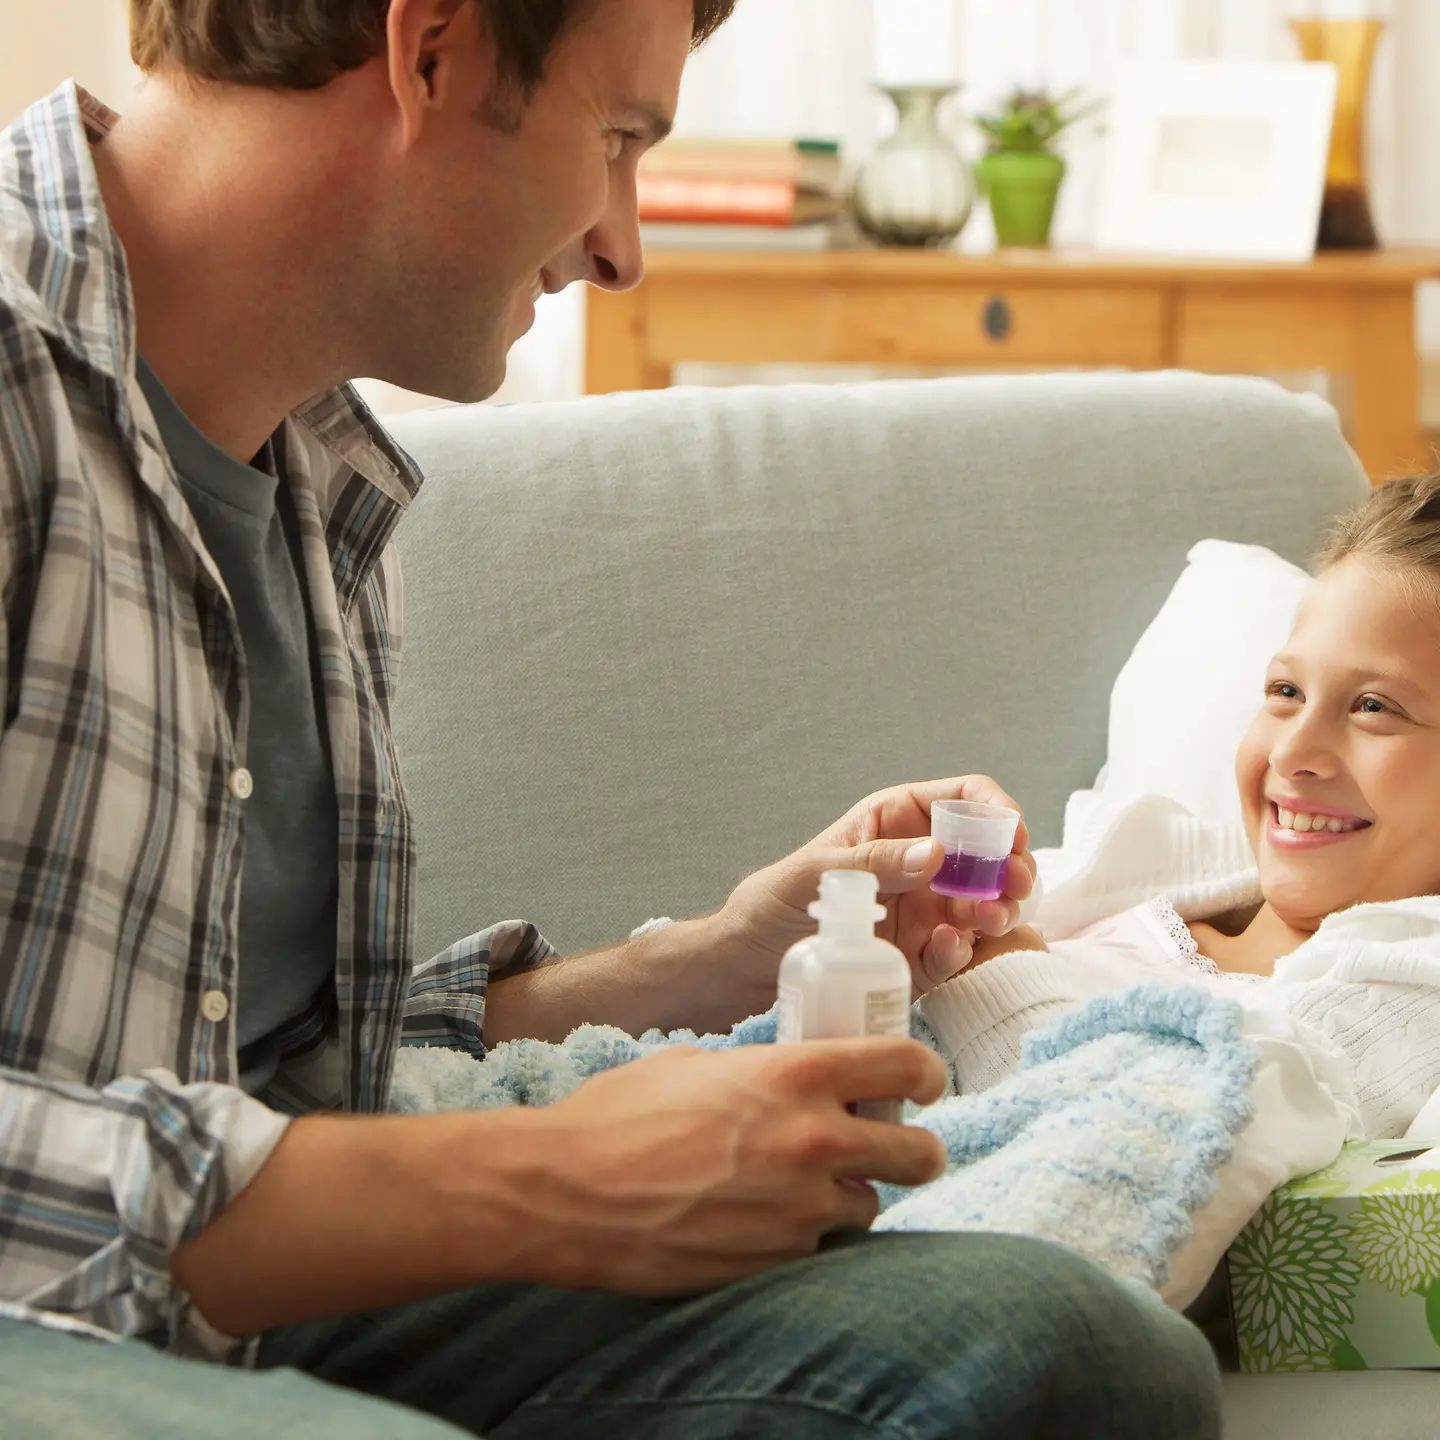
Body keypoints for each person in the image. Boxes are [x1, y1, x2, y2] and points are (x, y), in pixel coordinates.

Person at [0, 1, 1226, 1435]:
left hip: (244, 1315)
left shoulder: (319, 479)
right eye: (620, 136)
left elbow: (281, 1062)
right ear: (434, 51)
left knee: (1066, 1352)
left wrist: (716, 959)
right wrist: (548, 1182)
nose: (621, 245)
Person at [921, 473, 1440, 1144]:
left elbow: (1130, 1152)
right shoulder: (1120, 896)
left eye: (1373, 707)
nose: (1291, 752)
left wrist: (991, 968)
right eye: (1285, 690)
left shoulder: (1401, 1004)